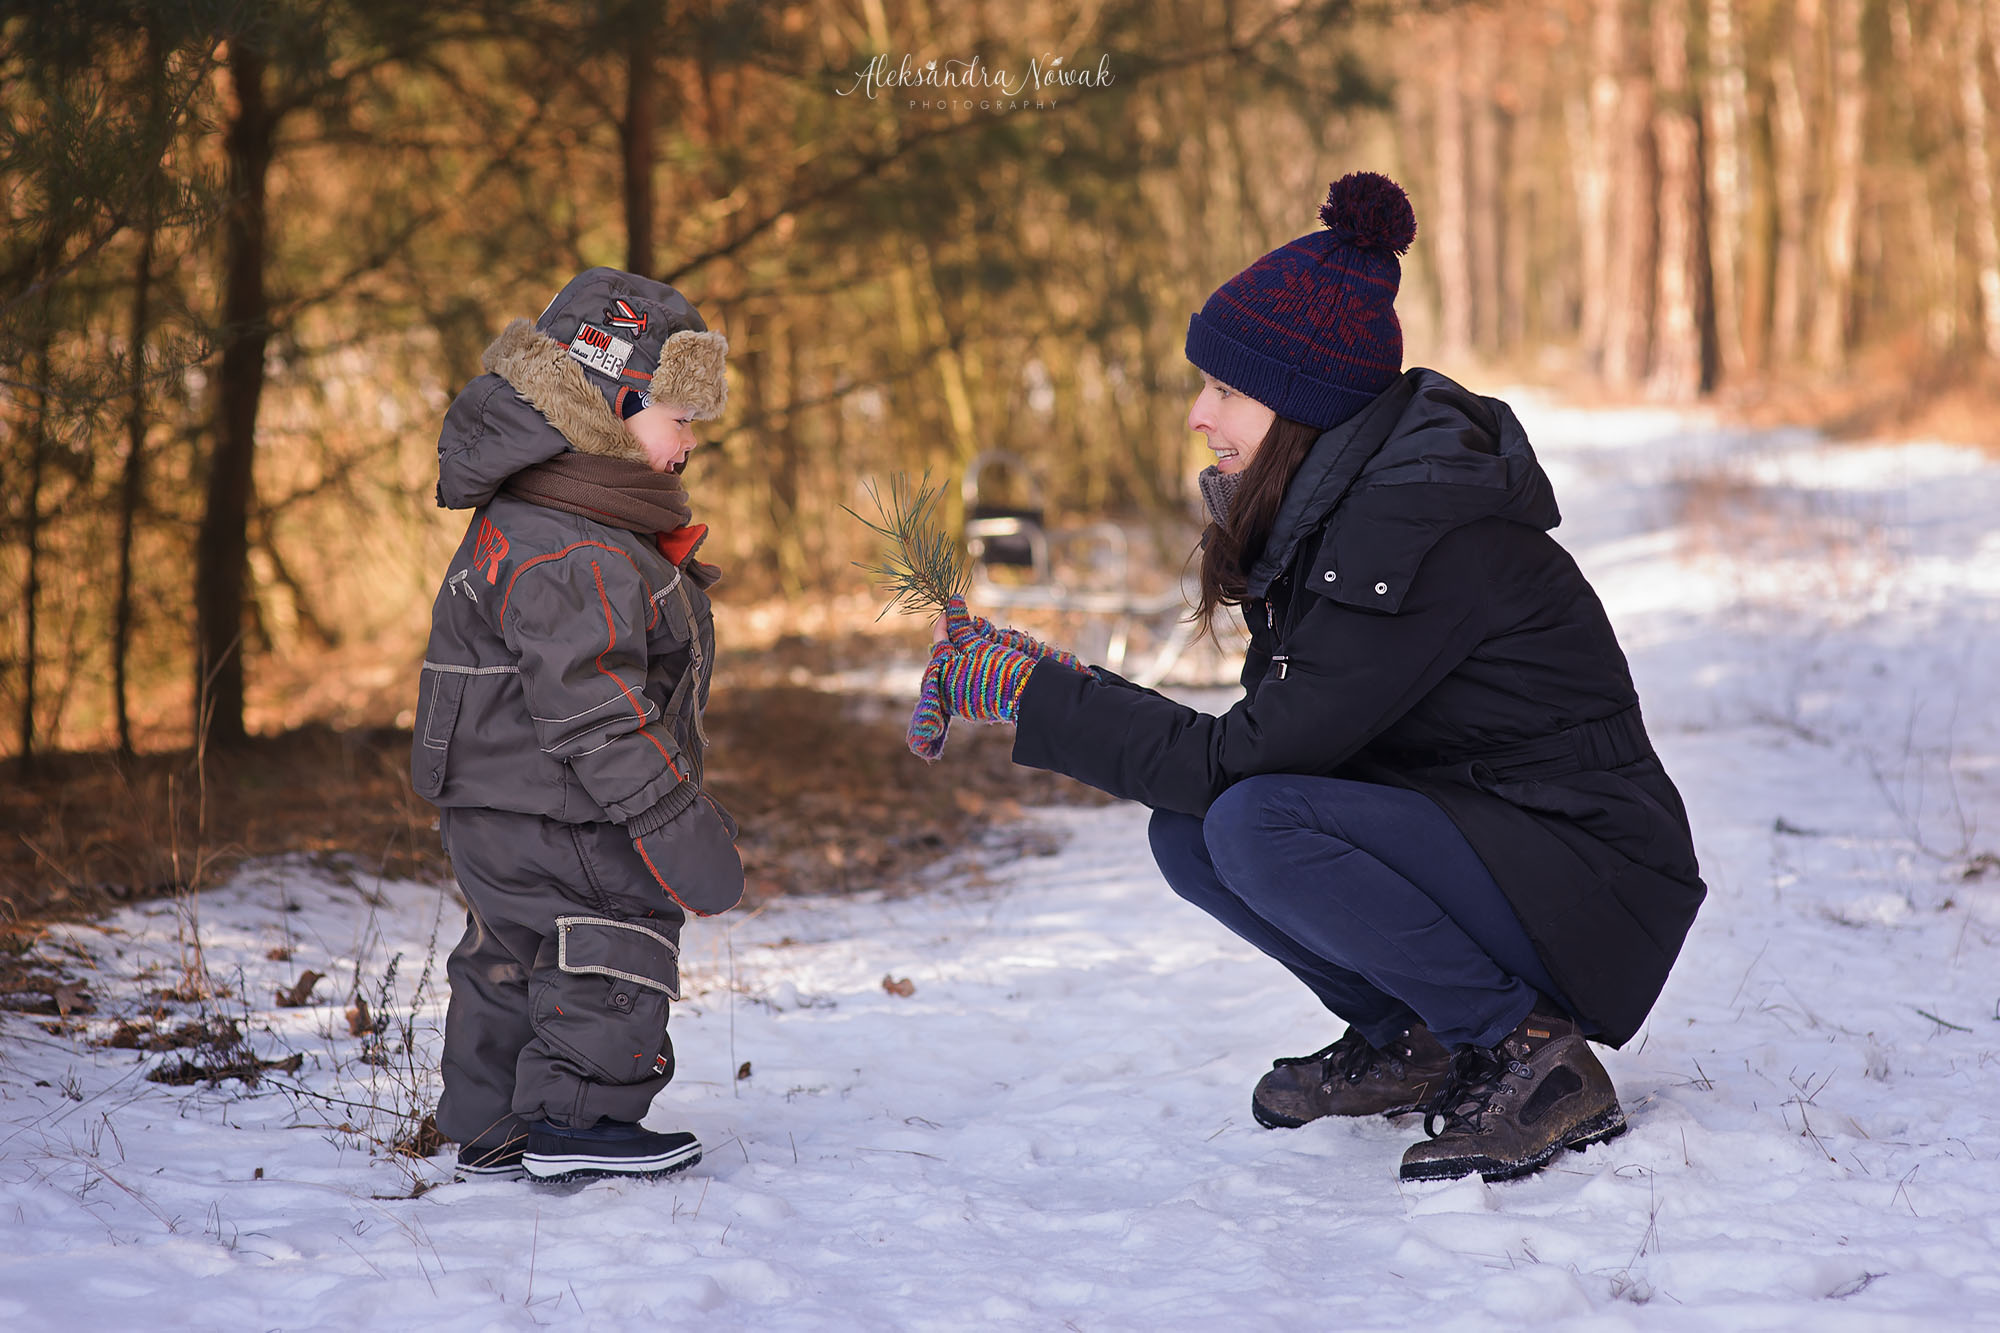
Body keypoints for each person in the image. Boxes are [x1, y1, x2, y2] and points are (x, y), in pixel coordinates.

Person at [910, 174, 1706, 1183]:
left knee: (1248, 820)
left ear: (1304, 406)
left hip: (1590, 878)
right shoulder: (1340, 513)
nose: (1199, 414)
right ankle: (1415, 1034)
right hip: (1499, 837)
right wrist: (1059, 681)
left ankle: (1526, 1053)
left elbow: (1246, 759)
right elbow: (1270, 738)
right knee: (1194, 830)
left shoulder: (1413, 533)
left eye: (1226, 390)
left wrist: (1034, 695)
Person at [411, 267, 745, 1182]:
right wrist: (669, 818)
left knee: (513, 949)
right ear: (612, 401)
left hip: (501, 801)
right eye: (679, 420)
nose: (685, 447)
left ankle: (492, 1122)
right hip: (558, 801)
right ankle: (576, 1117)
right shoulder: (569, 542)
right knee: (614, 924)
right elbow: (594, 707)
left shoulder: (544, 512)